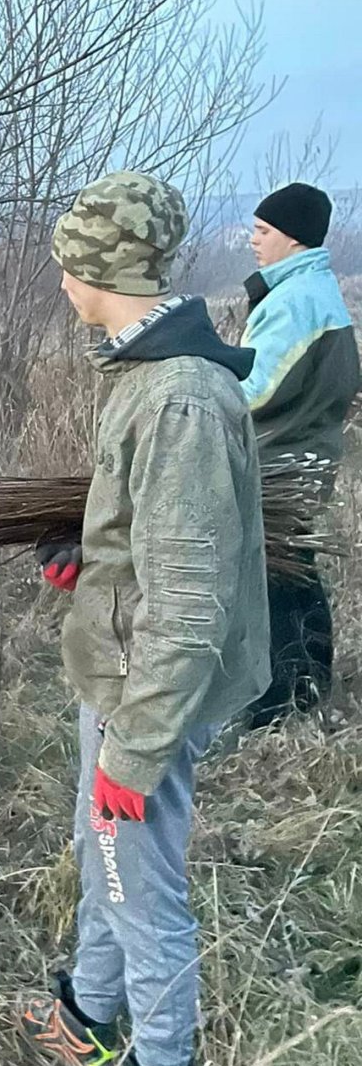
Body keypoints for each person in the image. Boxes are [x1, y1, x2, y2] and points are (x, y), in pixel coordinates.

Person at [18, 172, 270, 1066]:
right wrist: (95, 560)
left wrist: (140, 746)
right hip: (118, 671)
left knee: (138, 875)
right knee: (101, 853)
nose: (62, 284)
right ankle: (89, 1013)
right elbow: (153, 542)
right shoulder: (141, 371)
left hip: (144, 693)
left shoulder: (177, 399)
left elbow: (194, 598)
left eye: (66, 266)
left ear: (96, 268)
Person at [239, 183, 359, 727]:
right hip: (302, 453)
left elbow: (258, 389)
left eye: (262, 231)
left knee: (278, 583)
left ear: (291, 239)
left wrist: (206, 381)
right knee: (290, 574)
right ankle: (302, 691)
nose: (252, 240)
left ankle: (284, 700)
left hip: (282, 460)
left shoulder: (295, 300)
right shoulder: (311, 288)